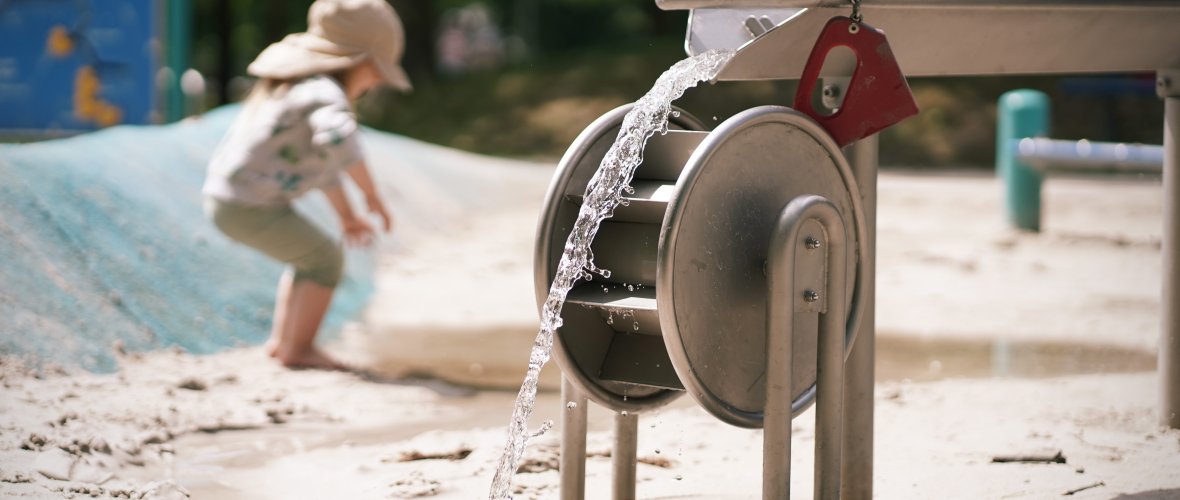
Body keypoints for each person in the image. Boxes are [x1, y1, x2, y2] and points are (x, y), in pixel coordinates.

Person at [202, 0, 411, 369]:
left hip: (231, 199)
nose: (377, 82)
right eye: (378, 72)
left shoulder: (299, 88)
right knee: (324, 260)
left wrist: (347, 216)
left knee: (310, 258)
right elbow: (339, 140)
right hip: (247, 205)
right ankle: (298, 350)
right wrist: (371, 195)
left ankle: (283, 343)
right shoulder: (324, 94)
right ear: (361, 62)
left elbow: (324, 169)